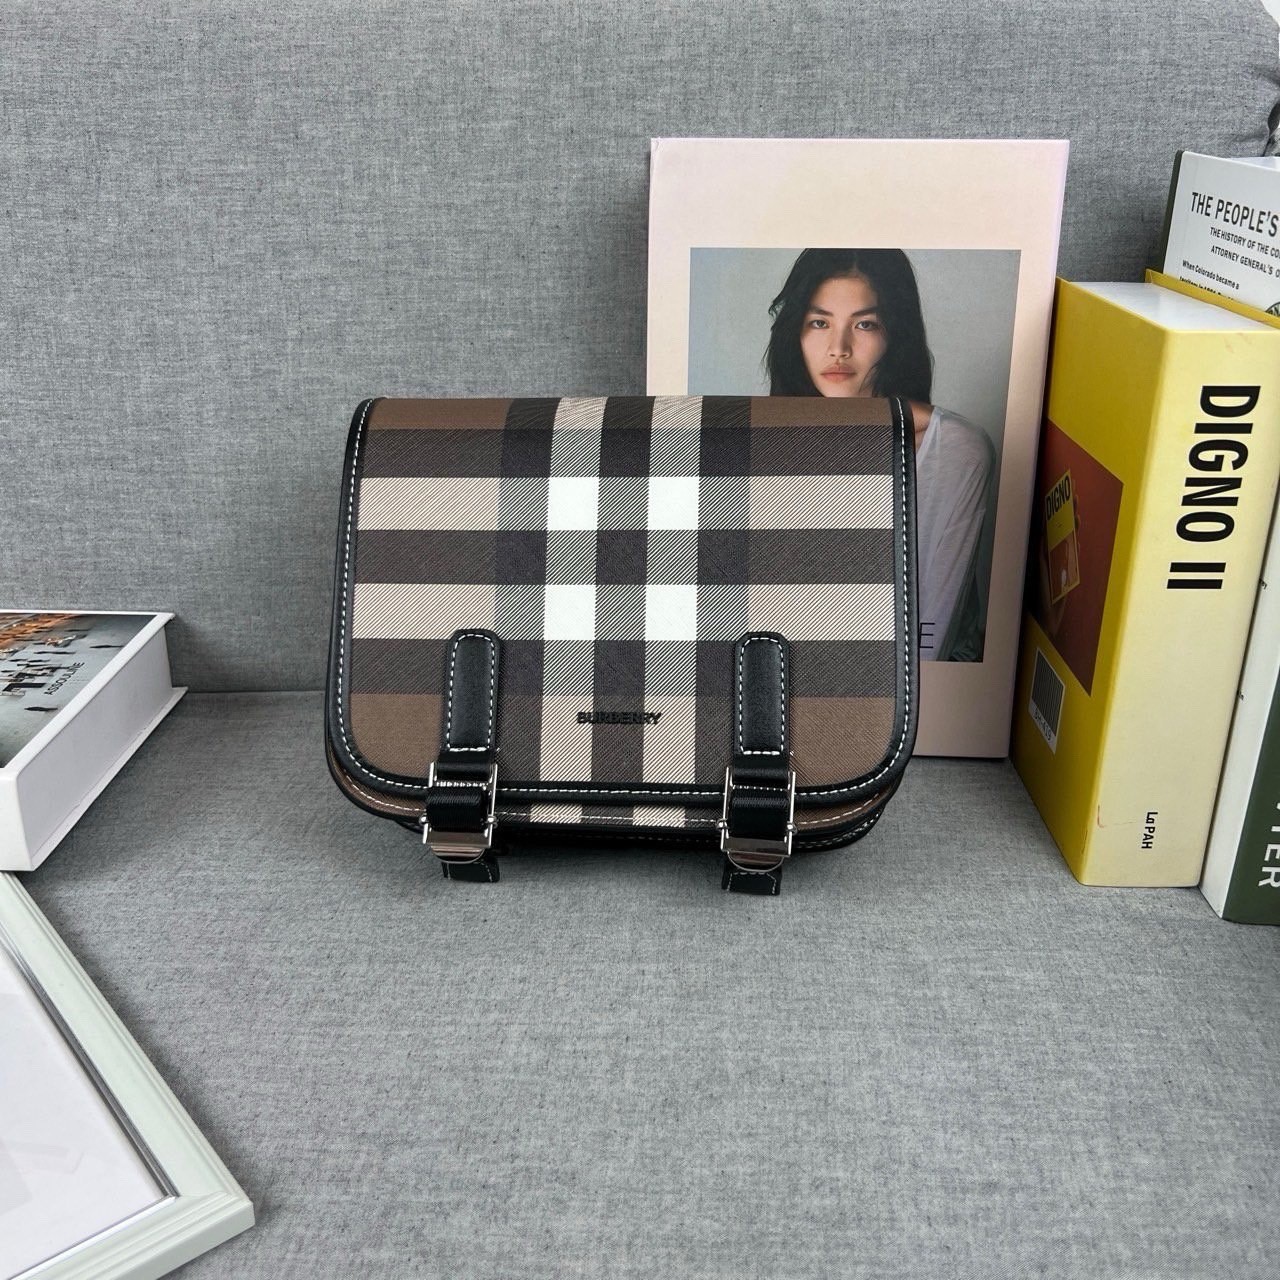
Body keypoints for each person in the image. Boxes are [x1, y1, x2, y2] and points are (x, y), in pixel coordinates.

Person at [764, 248, 995, 662]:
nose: (839, 348)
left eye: (865, 324)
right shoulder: (764, 442)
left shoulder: (951, 448)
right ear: (795, 333)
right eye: (819, 322)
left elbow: (929, 640)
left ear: (894, 334)